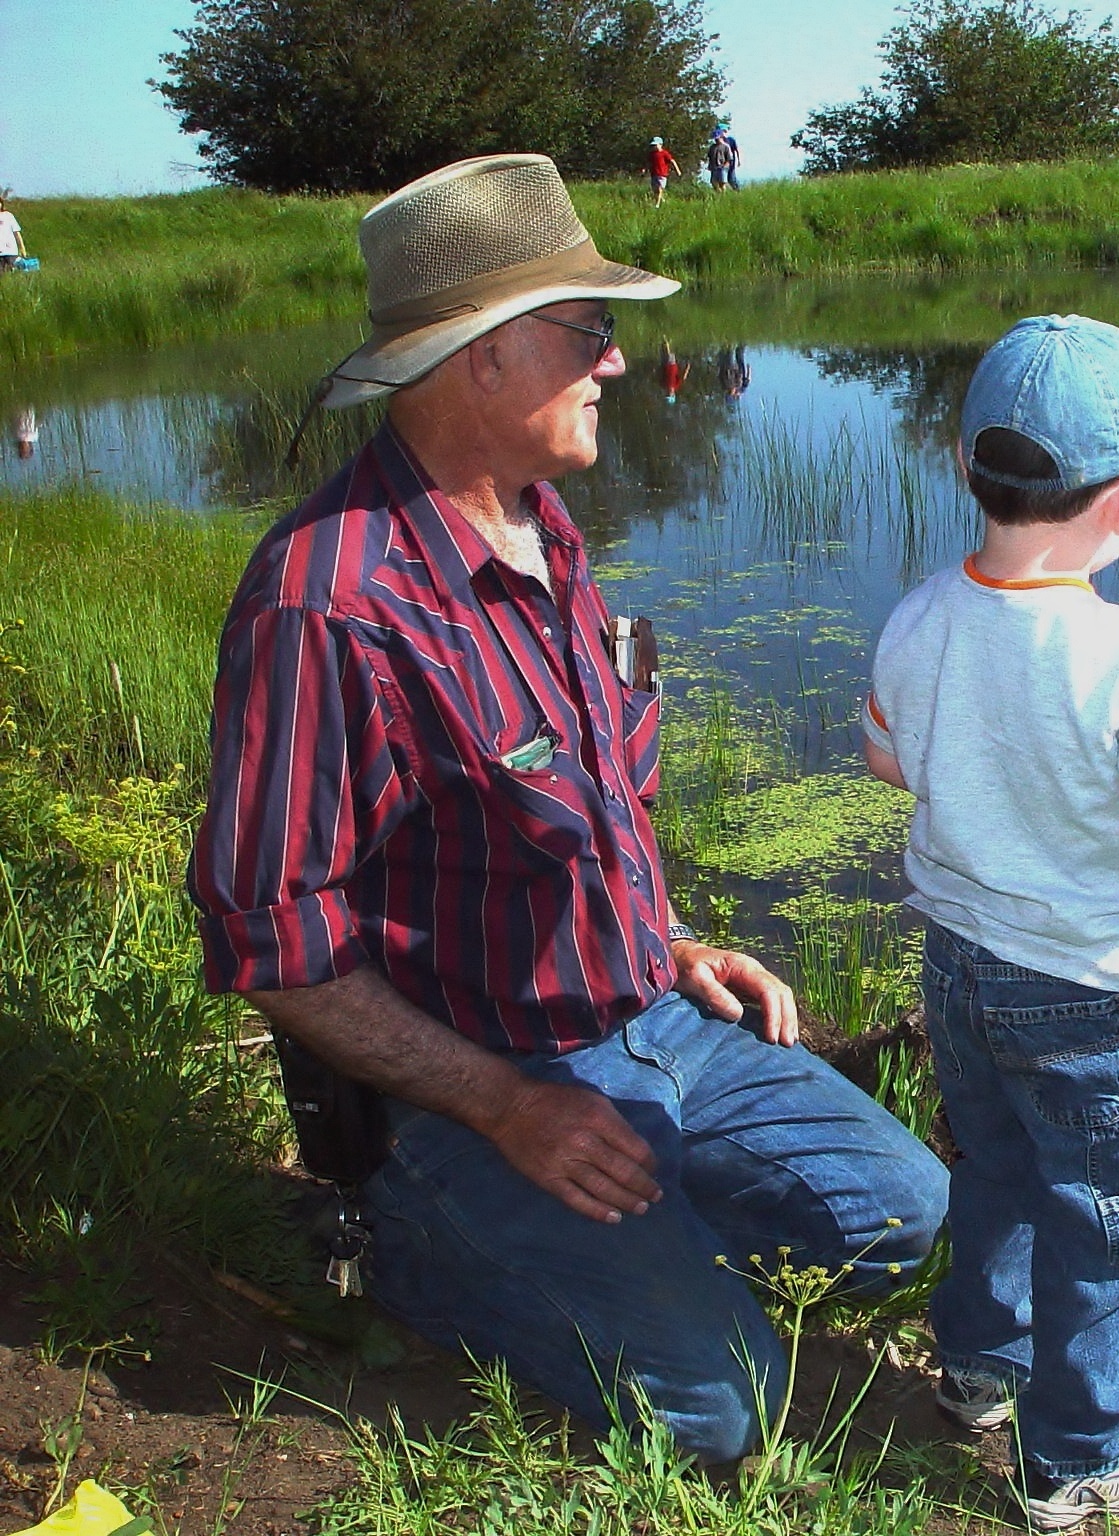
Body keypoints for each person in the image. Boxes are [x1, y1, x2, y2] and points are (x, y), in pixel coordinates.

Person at [188, 153, 947, 1463]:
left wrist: (681, 945)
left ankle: (645, 1231)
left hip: (655, 1025)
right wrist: (505, 1108)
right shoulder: (328, 603)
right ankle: (413, 1244)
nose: (613, 363)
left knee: (909, 1220)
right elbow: (269, 944)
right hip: (467, 1095)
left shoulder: (551, 532)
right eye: (588, 332)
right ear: (482, 356)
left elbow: (585, 804)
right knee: (723, 1406)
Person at [862, 315, 1119, 1531]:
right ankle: (1075, 1457)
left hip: (959, 968)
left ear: (972, 464)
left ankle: (980, 1368)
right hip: (1082, 991)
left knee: (993, 1167)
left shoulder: (920, 613)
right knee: (1100, 1218)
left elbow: (889, 765)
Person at [646, 136, 680, 205]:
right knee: (655, 190)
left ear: (660, 145)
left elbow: (672, 161)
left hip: (662, 174)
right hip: (654, 174)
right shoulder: (652, 154)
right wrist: (645, 169)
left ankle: (657, 205)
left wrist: (677, 170)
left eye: (655, 145)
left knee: (660, 189)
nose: (654, 147)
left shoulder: (664, 153)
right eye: (653, 146)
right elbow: (649, 163)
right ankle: (662, 200)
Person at [708, 124, 741, 191]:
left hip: (729, 164)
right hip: (717, 165)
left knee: (731, 179)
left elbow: (736, 150)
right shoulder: (713, 146)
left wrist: (738, 160)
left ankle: (737, 191)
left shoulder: (730, 141)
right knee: (717, 181)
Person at [0, 195, 27, 271]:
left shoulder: (8, 216)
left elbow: (17, 233)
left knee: (11, 271)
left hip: (10, 251)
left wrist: (22, 248)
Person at [659, 338, 685, 402]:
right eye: (669, 394)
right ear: (673, 394)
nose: (668, 393)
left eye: (667, 394)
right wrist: (687, 369)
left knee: (665, 355)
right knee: (669, 355)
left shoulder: (664, 385)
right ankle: (667, 342)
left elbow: (662, 377)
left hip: (665, 366)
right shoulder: (676, 386)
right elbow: (682, 377)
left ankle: (666, 343)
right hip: (672, 366)